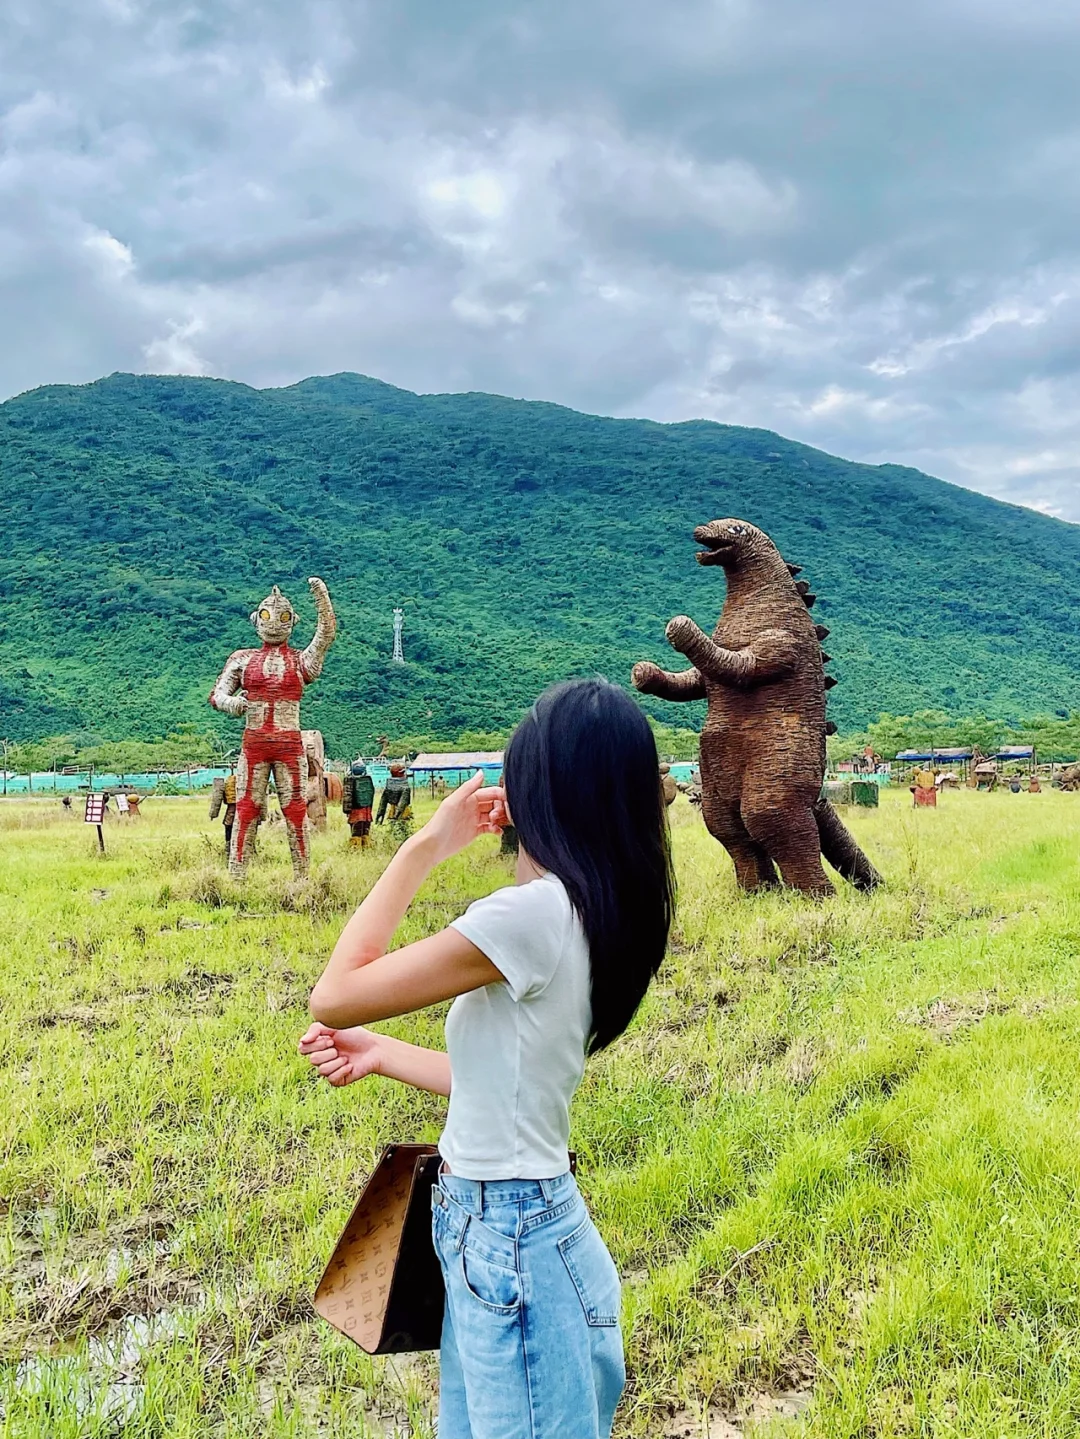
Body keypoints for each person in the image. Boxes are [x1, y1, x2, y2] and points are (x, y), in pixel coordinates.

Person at [299, 679, 674, 1439]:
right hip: (507, 1231)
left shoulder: (532, 915)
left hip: (512, 1241)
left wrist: (423, 846)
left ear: (544, 786)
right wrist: (378, 1053)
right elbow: (497, 1089)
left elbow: (334, 994)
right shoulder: (584, 905)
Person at [342, 760, 375, 849]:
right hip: (367, 811)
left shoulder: (349, 780)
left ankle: (355, 849)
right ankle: (366, 847)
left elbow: (347, 797)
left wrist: (346, 810)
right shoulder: (368, 779)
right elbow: (371, 794)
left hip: (355, 811)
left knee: (356, 832)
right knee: (365, 831)